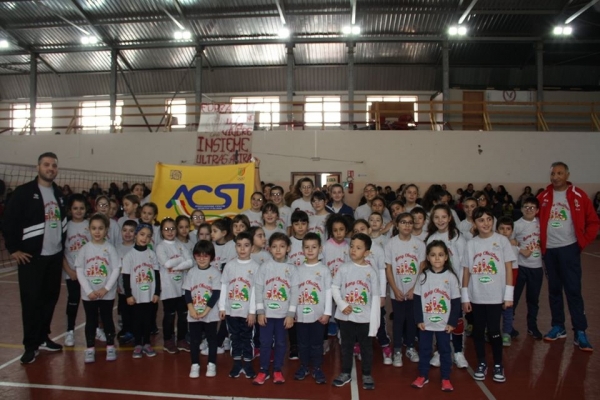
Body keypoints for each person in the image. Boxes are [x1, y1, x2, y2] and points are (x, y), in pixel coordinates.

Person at [3, 152, 67, 364]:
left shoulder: (59, 194)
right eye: (47, 165)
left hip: (54, 256)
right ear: (38, 167)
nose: (50, 168)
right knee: (31, 302)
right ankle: (30, 346)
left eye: (54, 166)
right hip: (32, 258)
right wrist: (13, 249)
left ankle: (43, 337)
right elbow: (8, 221)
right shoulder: (24, 193)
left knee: (50, 299)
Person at [537, 162, 599, 350]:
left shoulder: (579, 196)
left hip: (569, 249)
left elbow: (593, 222)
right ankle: (558, 326)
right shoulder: (543, 197)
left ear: (567, 175)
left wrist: (581, 242)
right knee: (554, 290)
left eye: (560, 173)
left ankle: (580, 331)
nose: (555, 177)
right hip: (550, 251)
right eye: (553, 173)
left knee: (573, 290)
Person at [462, 207, 515, 383]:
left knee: (493, 331)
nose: (485, 223)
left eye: (488, 219)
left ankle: (498, 364)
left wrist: (508, 294)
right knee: (477, 331)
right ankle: (482, 363)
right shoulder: (471, 244)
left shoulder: (502, 241)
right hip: (476, 296)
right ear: (475, 224)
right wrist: (465, 297)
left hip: (495, 296)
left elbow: (508, 268)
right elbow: (467, 271)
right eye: (481, 220)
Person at [331, 233, 380, 390]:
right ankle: (345, 372)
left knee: (366, 347)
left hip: (365, 319)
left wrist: (374, 323)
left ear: (366, 253)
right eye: (352, 246)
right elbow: (334, 287)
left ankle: (366, 373)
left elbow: (376, 298)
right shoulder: (344, 268)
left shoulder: (371, 272)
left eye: (358, 248)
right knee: (346, 346)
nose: (353, 250)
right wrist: (341, 304)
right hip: (346, 317)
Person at [411, 240, 461, 392]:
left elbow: (456, 302)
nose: (437, 258)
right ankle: (423, 375)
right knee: (425, 350)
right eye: (433, 255)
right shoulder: (423, 277)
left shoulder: (451, 277)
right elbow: (417, 299)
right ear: (428, 257)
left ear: (446, 257)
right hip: (426, 323)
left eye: (440, 255)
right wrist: (419, 320)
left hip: (444, 324)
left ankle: (446, 378)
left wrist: (452, 322)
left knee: (445, 350)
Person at [425, 204, 468, 369]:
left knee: (455, 320)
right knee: (439, 319)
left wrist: (464, 290)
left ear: (450, 218)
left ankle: (458, 351)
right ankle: (440, 351)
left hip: (454, 288)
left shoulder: (458, 238)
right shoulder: (431, 238)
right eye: (436, 217)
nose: (440, 220)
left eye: (443, 216)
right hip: (437, 289)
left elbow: (464, 266)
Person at [75, 213, 120, 363]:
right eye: (94, 228)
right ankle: (89, 349)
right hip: (89, 294)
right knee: (91, 320)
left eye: (101, 228)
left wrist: (106, 288)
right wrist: (88, 291)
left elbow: (115, 269)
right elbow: (79, 270)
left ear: (106, 230)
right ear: (89, 230)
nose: (97, 231)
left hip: (106, 294)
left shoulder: (110, 248)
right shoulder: (85, 249)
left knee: (107, 319)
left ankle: (110, 346)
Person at [253, 232, 298, 385]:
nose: (278, 250)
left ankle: (277, 370)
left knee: (281, 343)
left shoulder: (292, 269)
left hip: (283, 315)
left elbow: (295, 292)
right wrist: (260, 311)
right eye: (274, 247)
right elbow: (258, 289)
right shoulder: (264, 267)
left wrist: (291, 314)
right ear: (269, 249)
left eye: (282, 246)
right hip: (266, 314)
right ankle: (263, 370)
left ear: (288, 248)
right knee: (264, 342)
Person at [384, 213, 425, 368]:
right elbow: (388, 269)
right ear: (397, 225)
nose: (407, 225)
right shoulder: (390, 244)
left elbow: (421, 268)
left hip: (413, 291)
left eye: (410, 222)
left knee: (412, 320)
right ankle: (397, 350)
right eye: (403, 222)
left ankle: (409, 347)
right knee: (398, 320)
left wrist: (414, 288)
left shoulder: (419, 244)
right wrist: (394, 288)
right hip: (398, 291)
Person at [219, 231, 259, 379]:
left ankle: (248, 364)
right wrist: (222, 307)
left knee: (247, 338)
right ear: (235, 247)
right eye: (239, 245)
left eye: (246, 245)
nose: (242, 249)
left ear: (252, 248)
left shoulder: (255, 267)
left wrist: (252, 311)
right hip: (231, 311)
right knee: (234, 337)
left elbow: (255, 290)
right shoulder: (229, 265)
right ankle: (236, 363)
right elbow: (224, 286)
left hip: (247, 312)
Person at [293, 233, 332, 384]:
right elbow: (294, 292)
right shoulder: (297, 270)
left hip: (318, 315)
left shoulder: (324, 270)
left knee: (316, 343)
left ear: (320, 249)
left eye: (314, 247)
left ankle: (316, 367)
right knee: (302, 343)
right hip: (301, 315)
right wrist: (293, 312)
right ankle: (303, 366)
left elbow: (328, 292)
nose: (310, 250)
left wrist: (327, 313)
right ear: (302, 249)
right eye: (307, 247)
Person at [122, 223, 161, 358]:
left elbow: (156, 275)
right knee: (137, 320)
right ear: (136, 235)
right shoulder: (129, 256)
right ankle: (138, 344)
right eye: (142, 234)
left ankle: (147, 343)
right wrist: (128, 295)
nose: (144, 238)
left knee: (149, 320)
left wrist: (156, 292)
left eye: (148, 236)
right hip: (136, 296)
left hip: (150, 296)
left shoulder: (152, 255)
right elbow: (125, 277)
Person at [185, 240, 222, 378]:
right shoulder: (191, 272)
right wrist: (191, 309)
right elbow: (187, 292)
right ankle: (195, 364)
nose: (201, 258)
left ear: (211, 257)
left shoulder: (215, 273)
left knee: (212, 340)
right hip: (194, 314)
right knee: (194, 340)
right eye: (198, 255)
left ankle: (211, 364)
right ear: (194, 256)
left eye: (205, 256)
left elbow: (216, 294)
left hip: (210, 315)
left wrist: (206, 311)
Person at [156, 218, 192, 354]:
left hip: (182, 287)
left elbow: (190, 262)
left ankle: (182, 339)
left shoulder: (180, 245)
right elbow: (166, 264)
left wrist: (178, 264)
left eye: (172, 229)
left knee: (183, 315)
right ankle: (168, 340)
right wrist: (181, 260)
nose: (170, 232)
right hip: (168, 287)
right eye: (166, 229)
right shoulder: (160, 247)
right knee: (169, 315)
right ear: (161, 231)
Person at [513, 197, 543, 340]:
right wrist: (520, 249)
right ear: (522, 208)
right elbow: (508, 240)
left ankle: (532, 326)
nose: (529, 209)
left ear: (537, 210)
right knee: (514, 297)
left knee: (533, 299)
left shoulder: (540, 223)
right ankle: (508, 326)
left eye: (532, 207)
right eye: (526, 206)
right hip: (520, 267)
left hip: (536, 267)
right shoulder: (517, 225)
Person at [62, 194, 90, 348]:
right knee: (73, 300)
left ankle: (96, 328)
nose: (78, 211)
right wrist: (69, 271)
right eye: (75, 208)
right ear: (70, 209)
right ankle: (70, 331)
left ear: (86, 209)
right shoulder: (66, 226)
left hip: (89, 273)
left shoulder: (89, 224)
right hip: (72, 272)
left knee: (92, 302)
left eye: (81, 208)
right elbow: (60, 252)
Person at [496, 216, 520, 346]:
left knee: (507, 309)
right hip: (495, 285)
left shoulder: (513, 247)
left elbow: (514, 271)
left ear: (512, 231)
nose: (505, 231)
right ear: (496, 230)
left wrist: (509, 290)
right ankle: (491, 330)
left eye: (508, 229)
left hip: (507, 286)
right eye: (501, 228)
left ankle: (506, 332)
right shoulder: (492, 245)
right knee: (493, 308)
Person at [116, 219, 137, 344]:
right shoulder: (117, 248)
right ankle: (126, 330)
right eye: (124, 230)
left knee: (135, 311)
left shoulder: (137, 248)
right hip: (122, 288)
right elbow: (116, 269)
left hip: (135, 288)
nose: (127, 233)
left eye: (131, 231)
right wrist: (118, 284)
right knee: (124, 311)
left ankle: (135, 332)